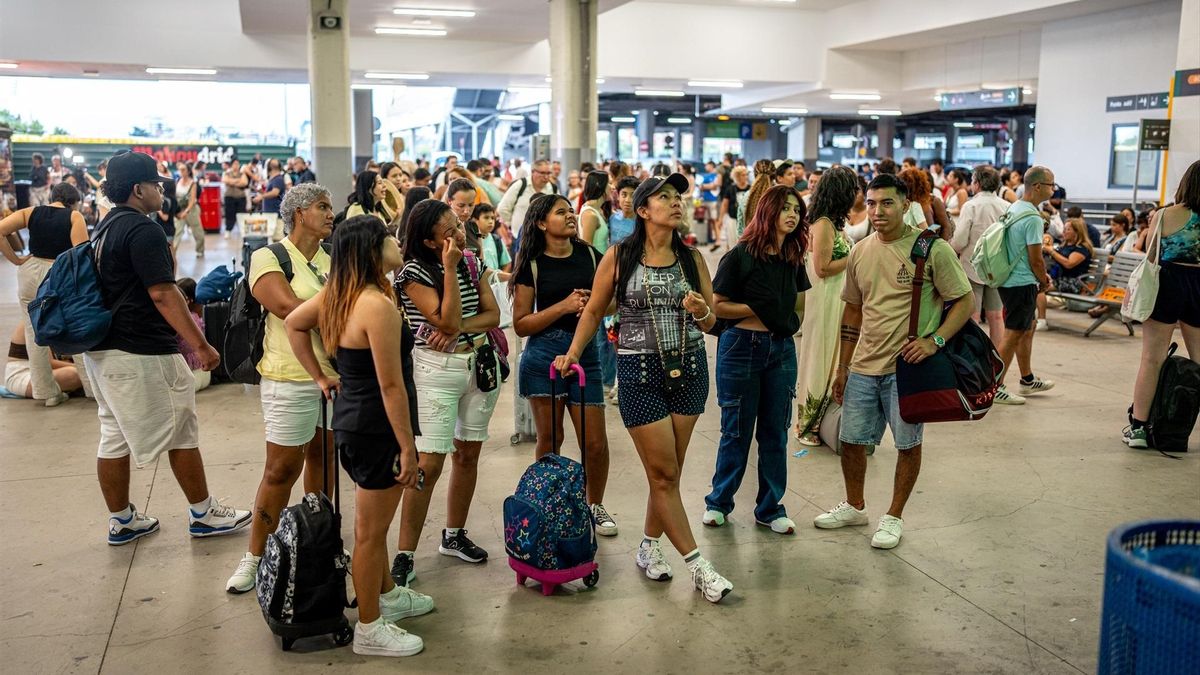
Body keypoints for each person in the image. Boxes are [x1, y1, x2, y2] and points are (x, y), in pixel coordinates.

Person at [554, 173, 734, 603]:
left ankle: (650, 546)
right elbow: (595, 309)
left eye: (678, 197)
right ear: (642, 210)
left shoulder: (693, 260)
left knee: (666, 475)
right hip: (638, 375)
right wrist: (574, 353)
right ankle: (698, 565)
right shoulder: (619, 256)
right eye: (665, 197)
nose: (676, 203)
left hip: (689, 370)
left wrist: (702, 310)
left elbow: (712, 324)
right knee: (664, 474)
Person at [85, 151, 251, 545]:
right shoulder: (143, 230)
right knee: (181, 429)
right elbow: (162, 293)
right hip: (142, 349)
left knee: (113, 432)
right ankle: (203, 512)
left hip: (105, 350)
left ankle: (123, 519)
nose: (162, 190)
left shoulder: (104, 227)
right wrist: (202, 345)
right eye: (156, 184)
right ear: (138, 189)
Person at [285, 215, 431, 657]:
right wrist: (408, 447)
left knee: (373, 524)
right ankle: (369, 627)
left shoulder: (340, 295)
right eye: (389, 236)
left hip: (353, 421)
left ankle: (385, 594)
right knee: (370, 532)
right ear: (371, 249)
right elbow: (391, 386)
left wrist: (321, 377)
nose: (396, 240)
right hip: (376, 428)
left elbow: (294, 322)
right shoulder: (374, 305)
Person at [815, 173, 973, 549]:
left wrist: (935, 340)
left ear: (906, 205)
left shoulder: (931, 249)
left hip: (907, 368)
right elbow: (853, 311)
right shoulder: (860, 250)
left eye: (887, 203)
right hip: (864, 366)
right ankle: (855, 505)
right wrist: (842, 367)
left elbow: (964, 300)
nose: (878, 211)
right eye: (871, 203)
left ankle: (894, 516)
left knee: (907, 443)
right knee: (850, 441)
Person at [221, 182, 345, 592]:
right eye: (322, 206)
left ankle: (317, 540)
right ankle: (254, 556)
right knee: (281, 469)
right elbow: (289, 309)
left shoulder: (332, 259)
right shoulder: (268, 256)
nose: (331, 213)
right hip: (288, 378)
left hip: (334, 376)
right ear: (298, 214)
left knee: (324, 462)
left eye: (330, 207)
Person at [392, 200, 502, 586]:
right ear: (427, 239)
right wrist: (451, 271)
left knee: (468, 453)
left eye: (459, 225)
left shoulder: (473, 260)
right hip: (434, 371)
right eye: (449, 231)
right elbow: (446, 317)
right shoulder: (412, 272)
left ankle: (454, 535)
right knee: (429, 464)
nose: (458, 234)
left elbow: (493, 316)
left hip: (478, 365)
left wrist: (457, 327)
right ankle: (404, 554)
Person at [702, 184, 810, 534]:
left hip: (780, 349)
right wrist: (760, 308)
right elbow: (718, 305)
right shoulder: (740, 255)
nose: (792, 215)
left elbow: (798, 307)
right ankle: (719, 501)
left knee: (775, 432)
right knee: (735, 430)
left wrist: (778, 316)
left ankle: (770, 508)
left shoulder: (793, 257)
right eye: (785, 208)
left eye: (796, 209)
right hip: (740, 347)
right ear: (768, 212)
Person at [510, 193, 617, 536]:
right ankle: (548, 504)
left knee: (596, 443)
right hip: (544, 356)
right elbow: (522, 324)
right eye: (561, 212)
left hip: (586, 354)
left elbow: (612, 302)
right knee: (551, 439)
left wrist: (597, 307)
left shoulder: (589, 254)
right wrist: (565, 305)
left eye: (571, 210)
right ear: (542, 223)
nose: (571, 215)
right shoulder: (531, 264)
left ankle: (594, 505)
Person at [1124, 160, 1200, 448]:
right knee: (1199, 360)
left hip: (1167, 282)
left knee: (1151, 358)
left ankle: (1140, 429)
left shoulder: (1164, 215)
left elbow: (1151, 255)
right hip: (1198, 284)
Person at [0, 182, 89, 406]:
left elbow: (1, 230)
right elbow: (81, 254)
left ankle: (47, 393)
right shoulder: (74, 216)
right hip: (57, 273)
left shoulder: (30, 212)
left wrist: (16, 260)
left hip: (29, 271)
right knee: (74, 329)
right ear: (73, 200)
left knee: (34, 333)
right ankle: (91, 388)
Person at [795, 166, 857, 446]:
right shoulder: (822, 224)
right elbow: (822, 268)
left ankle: (827, 422)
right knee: (820, 357)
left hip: (838, 298)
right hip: (825, 300)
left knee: (834, 358)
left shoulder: (834, 223)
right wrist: (858, 254)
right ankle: (809, 425)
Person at [994, 166, 1058, 405]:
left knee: (1027, 328)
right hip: (1021, 282)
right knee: (1012, 334)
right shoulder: (1032, 217)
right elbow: (1036, 258)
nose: (1054, 188)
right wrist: (1044, 280)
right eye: (1051, 184)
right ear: (1038, 186)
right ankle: (995, 387)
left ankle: (1027, 379)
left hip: (1010, 279)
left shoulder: (1015, 208)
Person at [950, 166, 1009, 346]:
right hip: (998, 267)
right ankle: (998, 362)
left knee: (972, 316)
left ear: (976, 183)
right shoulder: (1006, 206)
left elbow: (960, 240)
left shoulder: (970, 205)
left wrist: (950, 246)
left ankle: (974, 360)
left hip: (972, 265)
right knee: (997, 317)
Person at [5, 322, 82, 399]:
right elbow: (48, 363)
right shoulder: (32, 323)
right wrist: (81, 368)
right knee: (76, 374)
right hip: (22, 375)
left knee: (82, 371)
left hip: (44, 372)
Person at [497, 159, 557, 255]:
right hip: (519, 238)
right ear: (533, 172)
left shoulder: (553, 188)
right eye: (542, 173)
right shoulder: (521, 185)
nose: (546, 177)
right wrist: (511, 225)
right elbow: (503, 208)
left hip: (545, 240)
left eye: (549, 173)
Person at [172, 278, 212, 392]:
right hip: (205, 375)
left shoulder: (179, 320)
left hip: (189, 378)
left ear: (187, 300)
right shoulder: (196, 317)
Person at [1044, 218, 1093, 294]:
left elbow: (1069, 264)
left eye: (1068, 229)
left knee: (1041, 289)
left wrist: (1051, 251)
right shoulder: (1064, 246)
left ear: (1077, 232)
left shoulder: (1082, 248)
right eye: (1064, 229)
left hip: (1074, 282)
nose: (1063, 232)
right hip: (1059, 279)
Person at [469, 203, 511, 280]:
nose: (491, 221)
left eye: (492, 218)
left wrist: (499, 280)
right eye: (486, 217)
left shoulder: (496, 240)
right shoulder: (470, 241)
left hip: (495, 286)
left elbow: (506, 264)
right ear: (475, 220)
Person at [172, 162, 205, 258]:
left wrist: (186, 212)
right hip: (179, 210)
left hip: (192, 210)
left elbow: (192, 200)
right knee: (177, 231)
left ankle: (200, 250)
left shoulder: (193, 183)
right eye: (180, 169)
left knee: (198, 232)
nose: (181, 172)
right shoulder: (177, 181)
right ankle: (172, 252)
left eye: (183, 170)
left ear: (188, 171)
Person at [715, 165, 750, 252]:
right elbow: (724, 205)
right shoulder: (730, 189)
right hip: (733, 220)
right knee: (733, 244)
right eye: (743, 175)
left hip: (747, 221)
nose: (746, 177)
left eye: (746, 175)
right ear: (737, 176)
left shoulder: (751, 188)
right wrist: (720, 220)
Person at [578, 170, 611, 252]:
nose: (612, 187)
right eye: (609, 183)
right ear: (599, 185)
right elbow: (587, 249)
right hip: (597, 263)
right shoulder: (590, 215)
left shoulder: (598, 209)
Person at [222, 159, 249, 239]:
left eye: (237, 164)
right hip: (229, 197)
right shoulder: (226, 173)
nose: (236, 166)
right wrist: (237, 181)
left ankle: (243, 231)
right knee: (229, 214)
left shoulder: (242, 173)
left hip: (241, 197)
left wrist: (231, 182)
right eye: (234, 164)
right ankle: (228, 230)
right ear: (231, 165)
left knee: (241, 214)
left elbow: (244, 183)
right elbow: (225, 180)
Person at [609, 175, 639, 247]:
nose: (628, 200)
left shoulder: (641, 224)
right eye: (624, 195)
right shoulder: (612, 218)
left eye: (633, 196)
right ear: (618, 196)